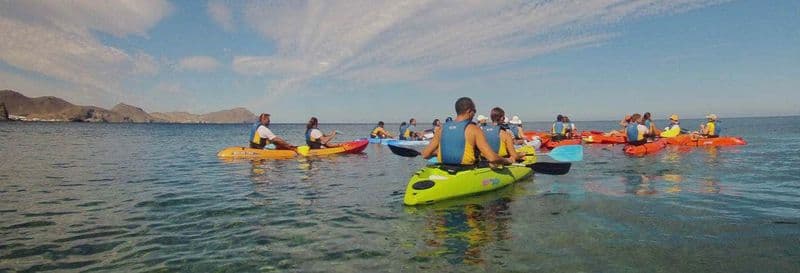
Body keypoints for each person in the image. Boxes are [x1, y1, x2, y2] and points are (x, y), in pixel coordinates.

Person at [421, 97, 512, 166]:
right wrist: (507, 160)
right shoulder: (474, 129)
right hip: (466, 170)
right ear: (469, 111)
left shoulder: (441, 128)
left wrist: (440, 152)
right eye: (474, 111)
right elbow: (492, 158)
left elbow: (425, 155)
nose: (474, 114)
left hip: (444, 168)